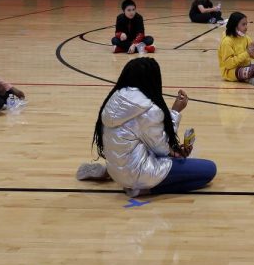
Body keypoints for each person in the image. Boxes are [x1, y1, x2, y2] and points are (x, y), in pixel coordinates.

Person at [77, 57, 216, 196]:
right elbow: (162, 148)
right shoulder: (147, 109)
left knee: (178, 161)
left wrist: (175, 152)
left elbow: (146, 139)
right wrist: (175, 112)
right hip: (137, 174)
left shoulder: (115, 98)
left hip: (116, 167)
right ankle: (141, 189)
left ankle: (110, 172)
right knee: (209, 170)